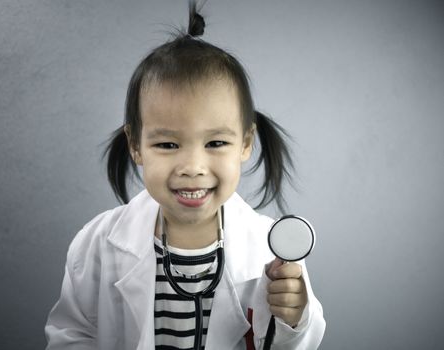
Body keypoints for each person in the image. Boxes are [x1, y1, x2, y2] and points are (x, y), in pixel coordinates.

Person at [45, 2, 326, 349]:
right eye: (167, 144)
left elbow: (297, 343)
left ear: (245, 143)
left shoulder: (270, 251)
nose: (193, 166)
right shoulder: (97, 244)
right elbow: (71, 334)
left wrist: (295, 317)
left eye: (216, 142)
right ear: (135, 145)